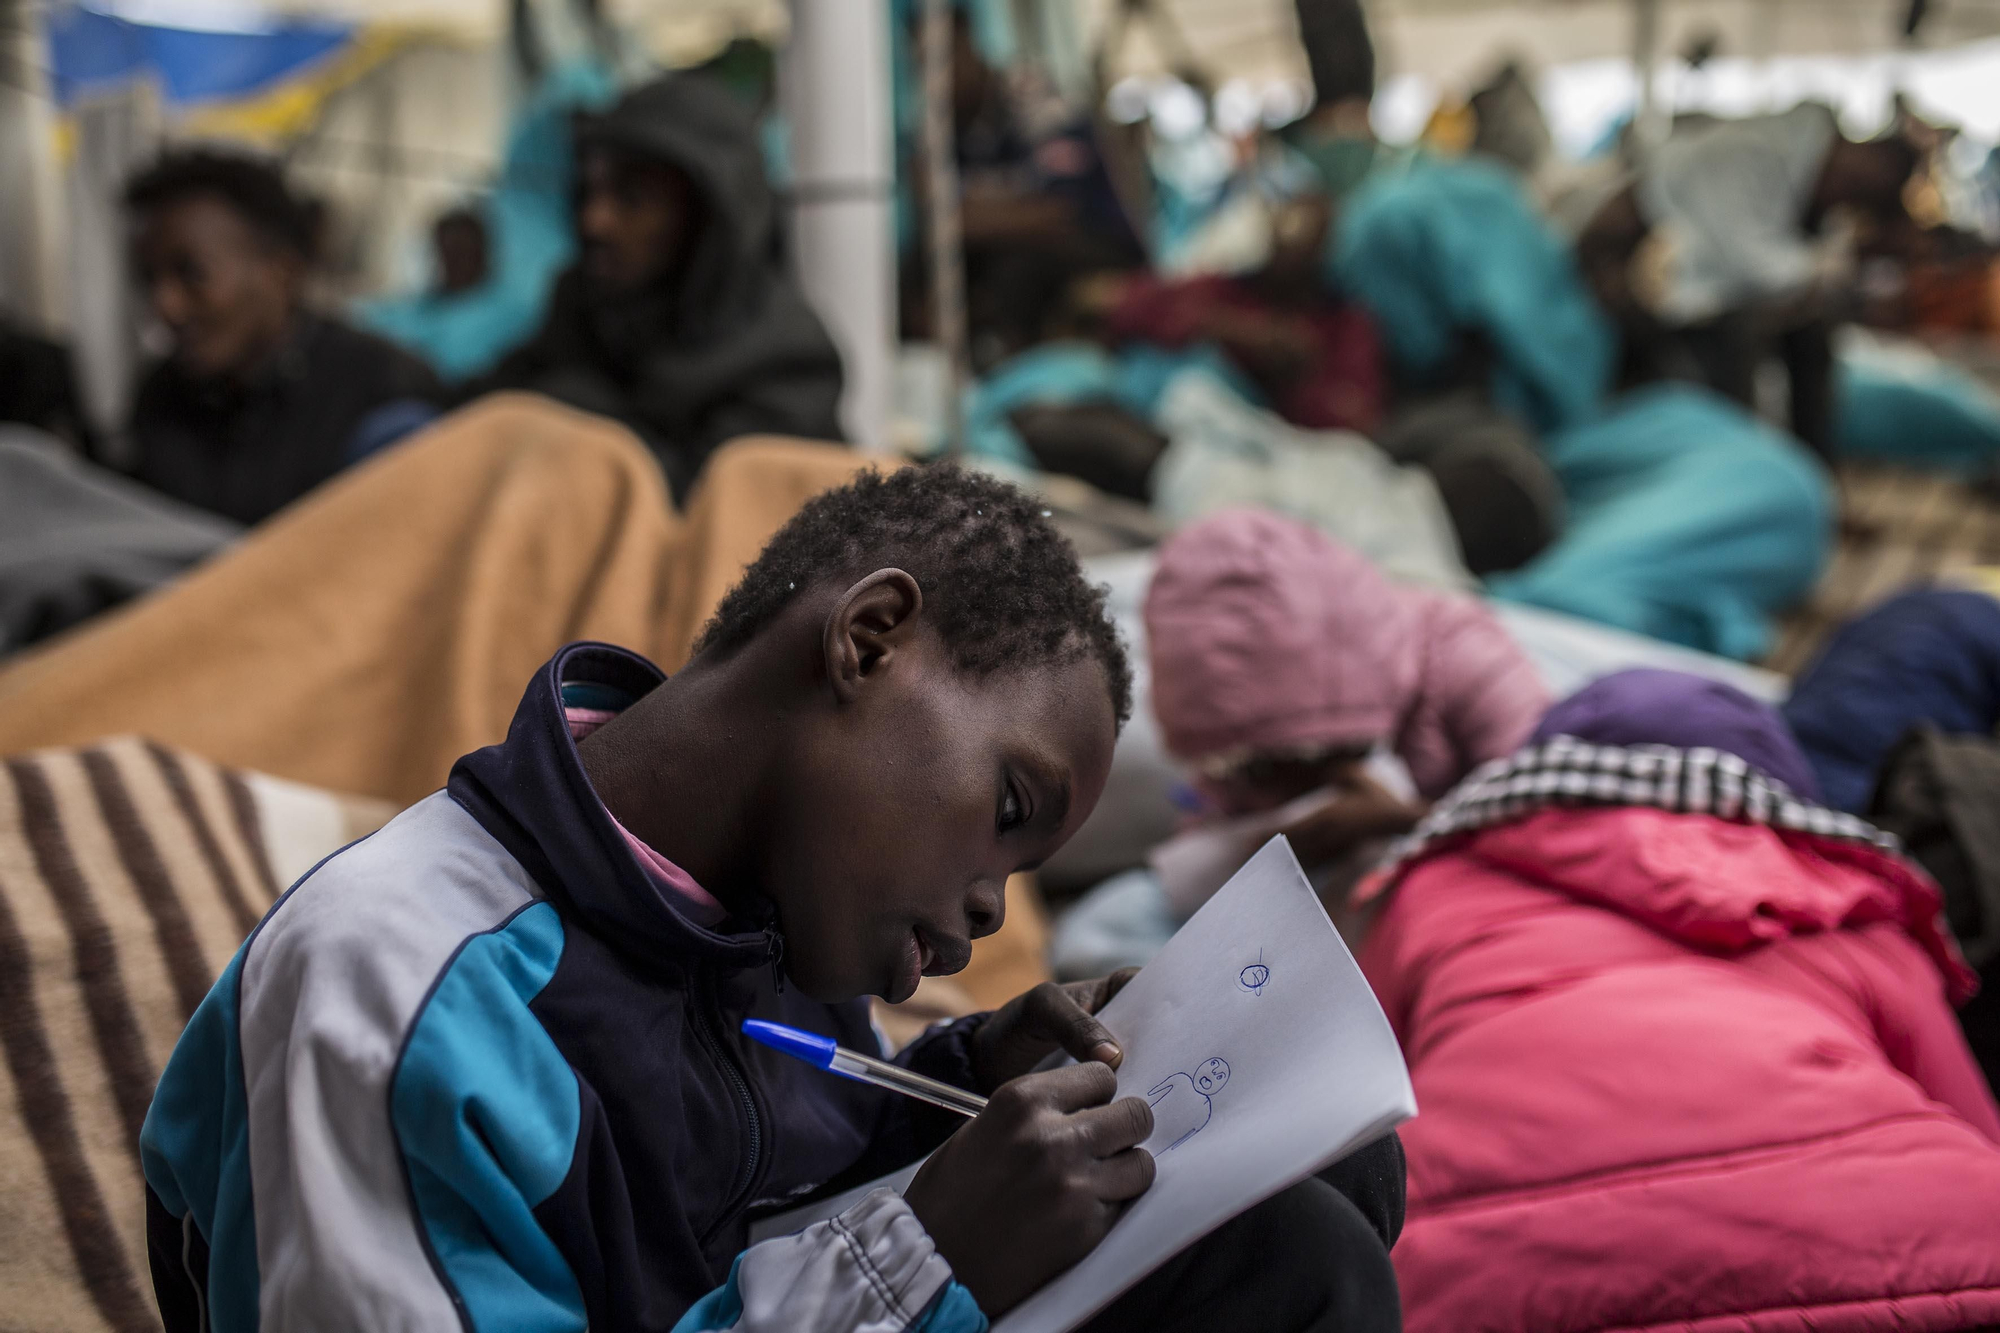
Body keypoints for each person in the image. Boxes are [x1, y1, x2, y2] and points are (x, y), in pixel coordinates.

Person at [139, 464, 1404, 1332]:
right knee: (1288, 1263)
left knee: (1334, 1180)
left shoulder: (772, 921)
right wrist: (925, 1259)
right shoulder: (391, 983)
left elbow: (758, 1194)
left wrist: (960, 1087)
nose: (982, 913)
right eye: (1004, 814)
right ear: (867, 639)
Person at [1358, 668, 2000, 1331]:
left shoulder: (1435, 886)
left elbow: (1354, 1100)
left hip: (1482, 1267)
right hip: (1897, 1239)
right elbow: (1973, 1116)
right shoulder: (1852, 905)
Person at [1052, 508, 1548, 979]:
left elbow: (1567, 831)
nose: (1280, 781)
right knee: (1097, 934)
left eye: (1309, 755)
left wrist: (1408, 819)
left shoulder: (1463, 656)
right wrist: (1248, 847)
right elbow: (1210, 812)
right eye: (1255, 766)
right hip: (1321, 886)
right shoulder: (1228, 732)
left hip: (1457, 876)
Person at [473, 74, 845, 498]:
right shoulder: (583, 310)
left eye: (632, 198)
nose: (596, 221)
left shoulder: (788, 364)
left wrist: (576, 417)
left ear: (704, 219)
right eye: (589, 192)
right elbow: (480, 407)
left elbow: (714, 523)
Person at [1577, 104, 1921, 456]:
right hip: (1623, 266)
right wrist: (1829, 266)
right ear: (1853, 169)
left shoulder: (1806, 169)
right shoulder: (1750, 152)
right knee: (1732, 338)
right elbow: (1751, 266)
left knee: (1810, 330)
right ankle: (1734, 465)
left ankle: (1813, 465)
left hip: (1691, 280)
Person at [124, 148, 444, 525]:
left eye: (192, 274)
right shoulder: (162, 400)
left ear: (283, 272)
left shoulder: (382, 394)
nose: (166, 306)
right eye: (149, 279)